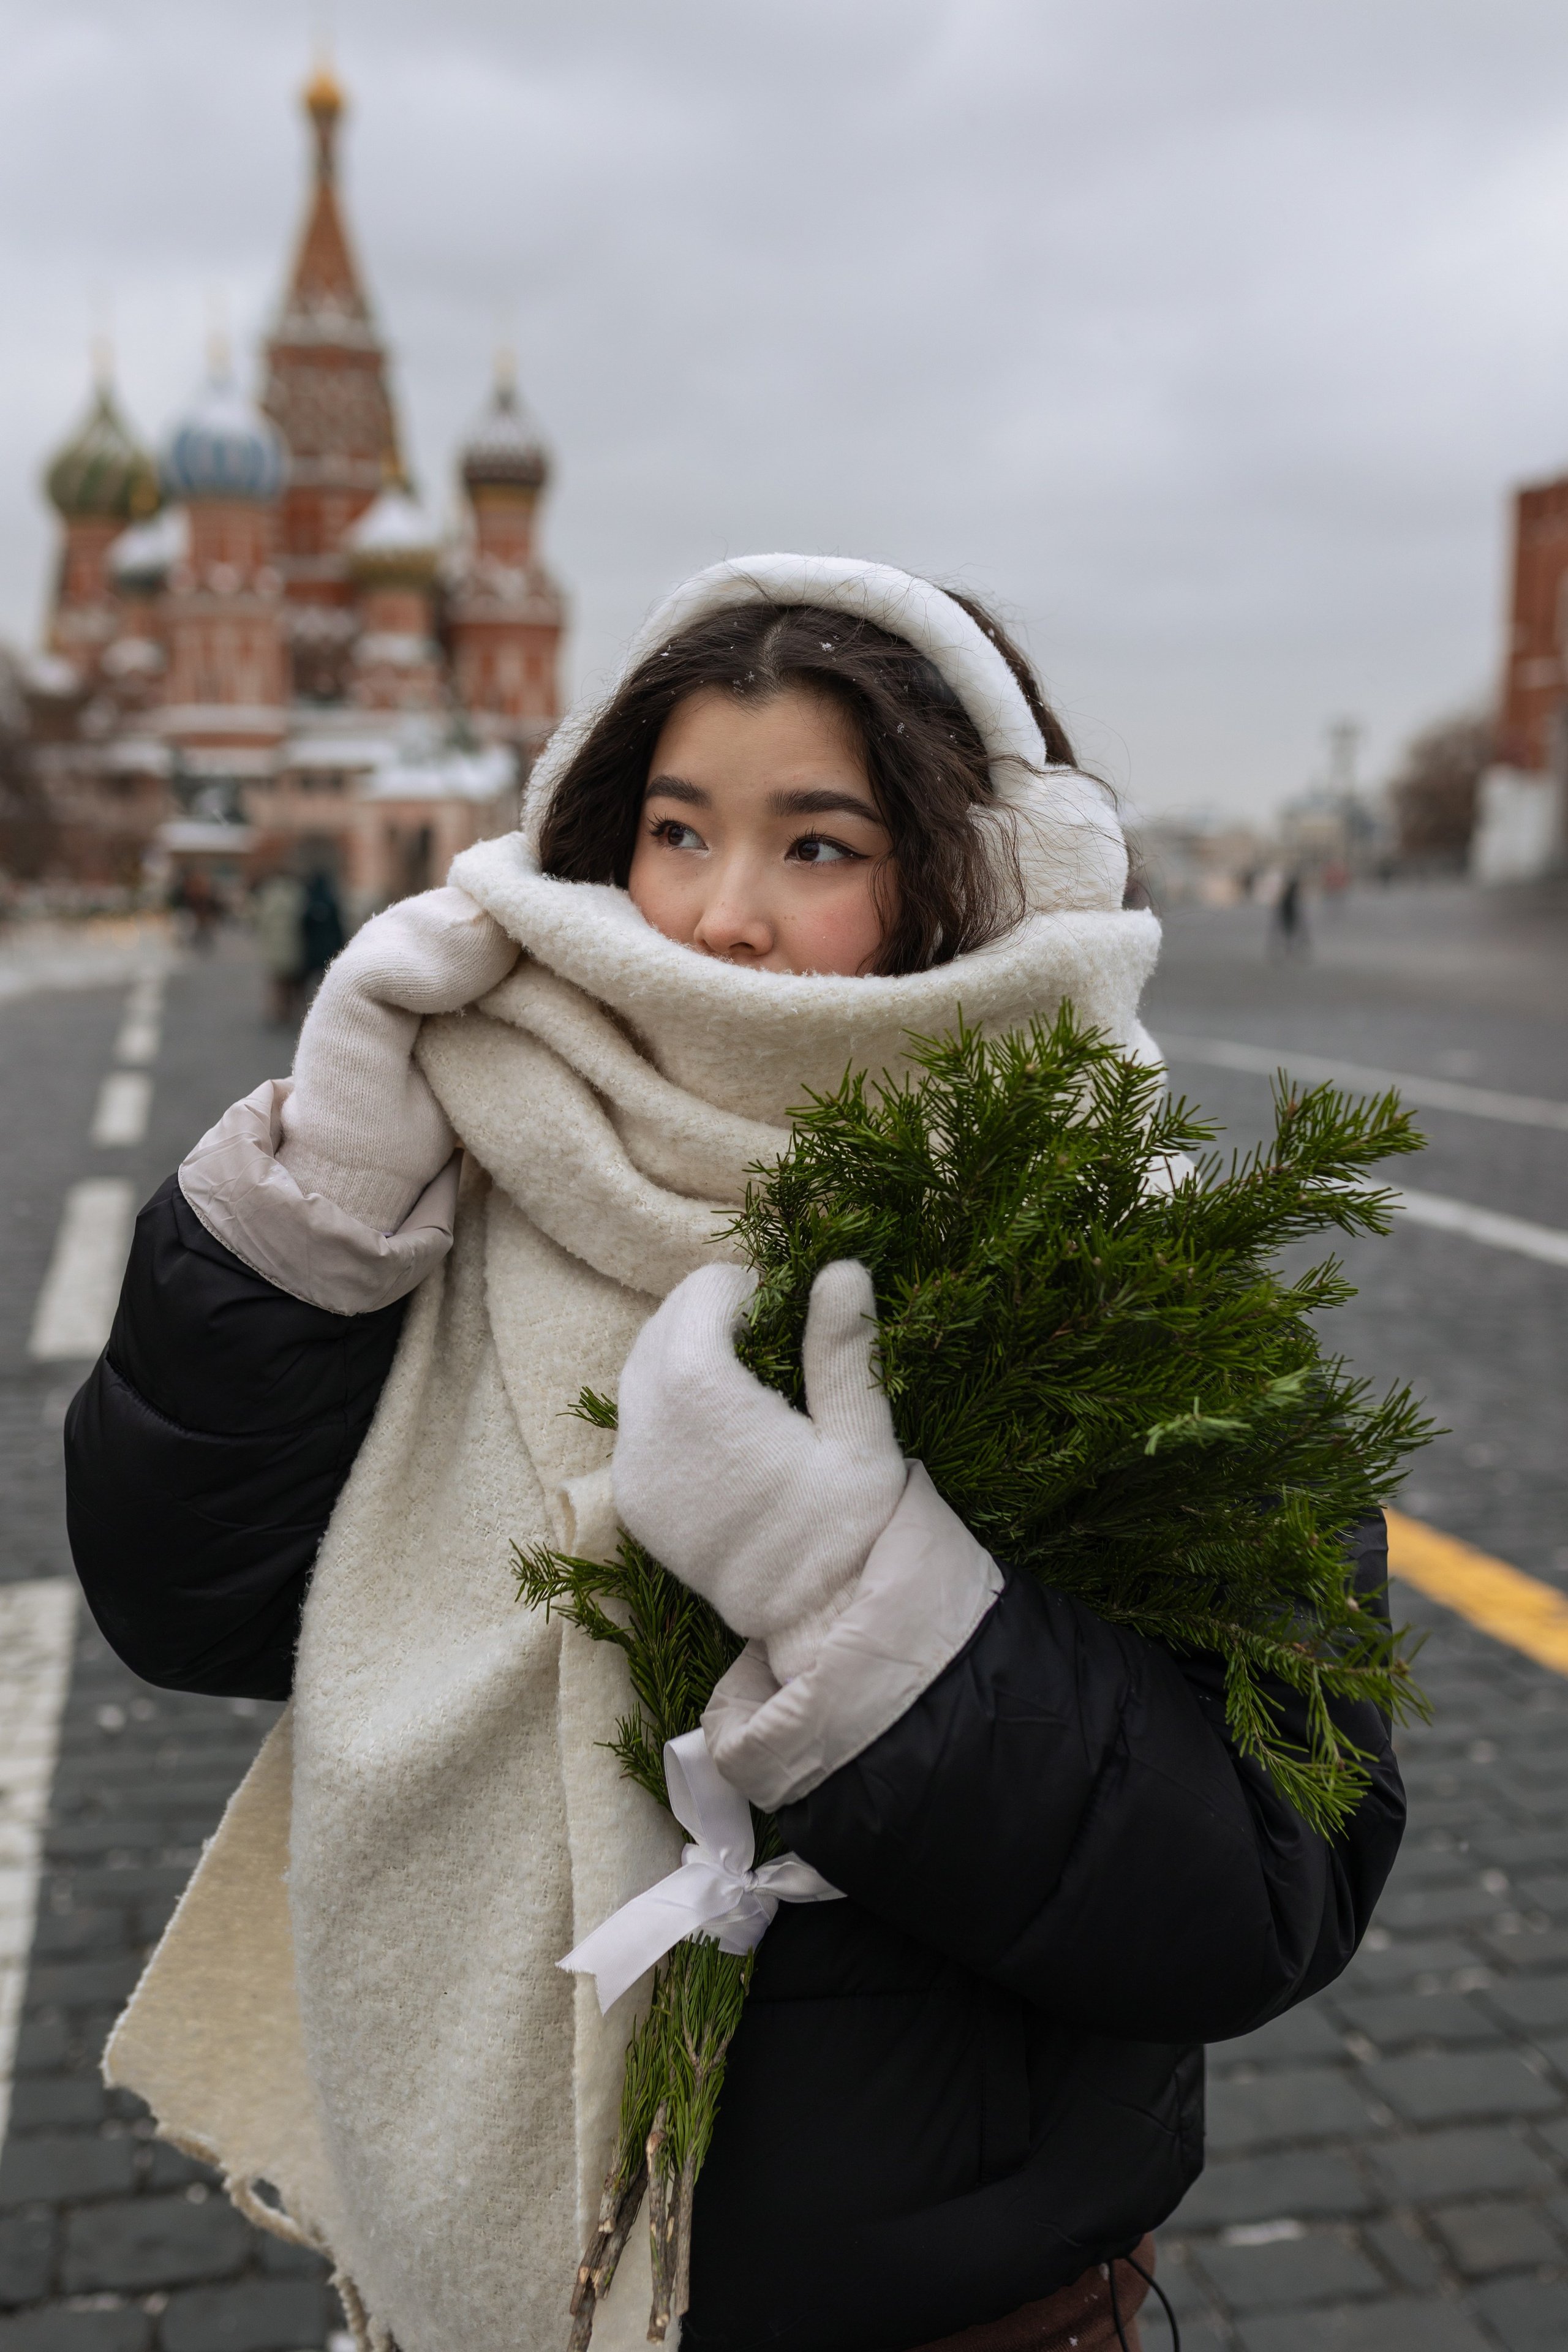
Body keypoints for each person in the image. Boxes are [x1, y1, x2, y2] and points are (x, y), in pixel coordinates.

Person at [64, 557, 1403, 2352]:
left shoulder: (1108, 1251)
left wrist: (864, 1610)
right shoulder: (480, 1166)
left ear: (969, 879)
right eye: (677, 830)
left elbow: (1265, 1875)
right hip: (474, 2285)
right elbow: (194, 1605)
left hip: (946, 2315)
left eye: (817, 847)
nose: (720, 916)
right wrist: (312, 1215)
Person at [251, 867, 307, 1027]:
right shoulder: (298, 892)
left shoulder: (268, 893)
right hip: (296, 943)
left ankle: (280, 1010)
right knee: (295, 980)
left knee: (279, 980)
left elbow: (260, 919)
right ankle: (295, 1009)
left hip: (275, 945)